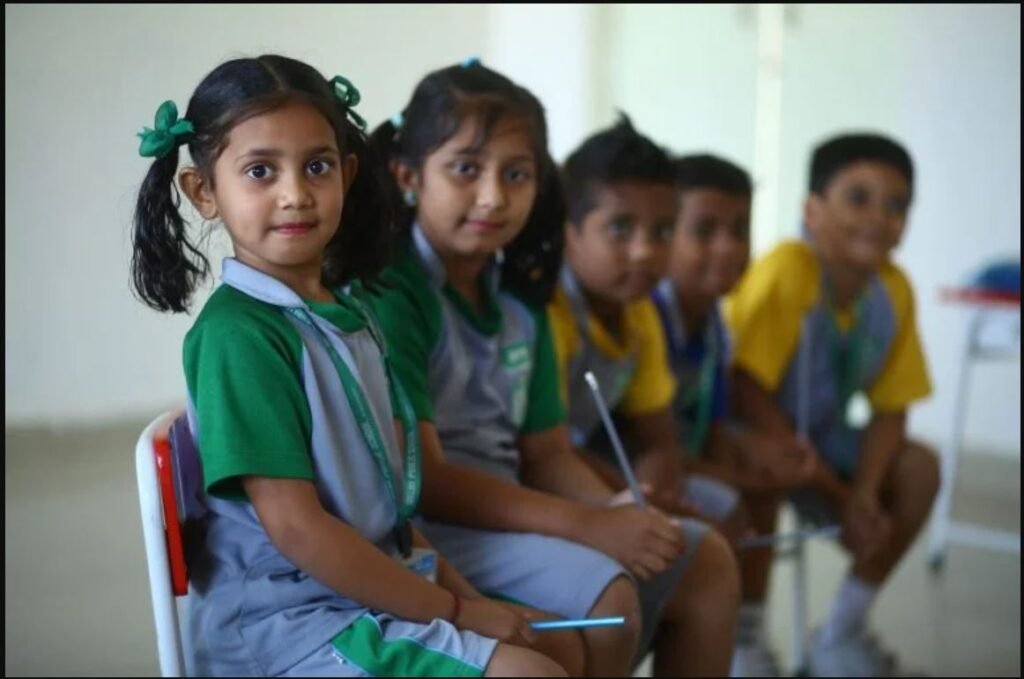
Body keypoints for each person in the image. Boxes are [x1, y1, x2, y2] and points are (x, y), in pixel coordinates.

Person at [129, 53, 569, 677]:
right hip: (289, 625)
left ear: (348, 173)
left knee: (556, 648)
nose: (295, 194)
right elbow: (299, 531)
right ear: (204, 191)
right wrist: (457, 611)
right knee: (535, 673)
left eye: (317, 166)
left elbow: (387, 505)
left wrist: (467, 599)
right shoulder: (238, 335)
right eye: (260, 170)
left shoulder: (352, 312)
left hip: (361, 588)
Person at [367, 60, 738, 677]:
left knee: (704, 559)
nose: (494, 196)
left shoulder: (521, 298)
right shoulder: (394, 293)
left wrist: (618, 510)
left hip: (504, 518)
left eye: (516, 174)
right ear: (409, 176)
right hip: (426, 528)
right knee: (608, 604)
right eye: (466, 169)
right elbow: (426, 480)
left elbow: (547, 453)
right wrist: (588, 524)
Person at [726, 133, 939, 677]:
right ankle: (744, 640)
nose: (878, 218)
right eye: (858, 198)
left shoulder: (893, 289)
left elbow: (892, 407)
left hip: (820, 438)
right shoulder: (788, 267)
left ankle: (841, 632)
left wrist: (864, 492)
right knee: (766, 466)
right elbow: (746, 389)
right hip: (751, 429)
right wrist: (837, 494)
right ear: (812, 210)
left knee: (919, 468)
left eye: (896, 205)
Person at [549, 117, 742, 676]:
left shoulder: (640, 314)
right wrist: (634, 502)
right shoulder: (548, 310)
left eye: (661, 231)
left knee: (709, 544)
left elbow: (660, 434)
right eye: (620, 228)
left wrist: (655, 486)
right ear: (569, 229)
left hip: (605, 484)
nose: (644, 252)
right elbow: (542, 449)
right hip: (548, 491)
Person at [653, 153, 808, 676]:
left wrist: (754, 465)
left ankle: (746, 638)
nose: (728, 247)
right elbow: (646, 447)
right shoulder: (651, 315)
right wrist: (733, 482)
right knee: (735, 499)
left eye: (739, 230)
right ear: (665, 236)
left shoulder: (715, 327)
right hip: (642, 470)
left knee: (762, 481)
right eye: (704, 231)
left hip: (684, 459)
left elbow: (714, 429)